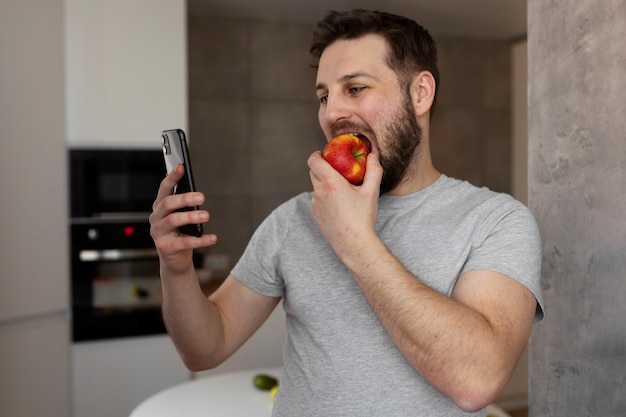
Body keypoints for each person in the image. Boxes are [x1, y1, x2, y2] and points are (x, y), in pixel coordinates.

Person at [149, 9, 544, 417]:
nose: (331, 112)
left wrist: (355, 241)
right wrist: (176, 270)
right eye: (323, 96)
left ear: (420, 93)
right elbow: (203, 350)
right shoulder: (294, 219)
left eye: (355, 88)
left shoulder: (497, 221)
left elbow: (476, 381)